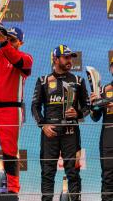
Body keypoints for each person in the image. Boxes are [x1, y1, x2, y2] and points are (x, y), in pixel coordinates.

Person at [0, 10, 33, 195]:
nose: (10, 42)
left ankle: (12, 189)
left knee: (10, 153)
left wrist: (3, 42)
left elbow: (15, 59)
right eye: (8, 38)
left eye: (13, 40)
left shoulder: (26, 58)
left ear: (20, 43)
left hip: (10, 110)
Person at [31, 45, 89, 201]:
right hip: (50, 133)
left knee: (73, 173)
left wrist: (78, 114)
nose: (70, 60)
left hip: (71, 132)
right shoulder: (43, 80)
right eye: (66, 57)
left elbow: (87, 107)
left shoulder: (78, 80)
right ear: (56, 59)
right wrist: (42, 125)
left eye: (71, 57)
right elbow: (34, 106)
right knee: (48, 173)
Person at [90, 57, 113, 201]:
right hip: (108, 136)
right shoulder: (104, 89)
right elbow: (95, 117)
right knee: (108, 177)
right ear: (111, 69)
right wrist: (94, 104)